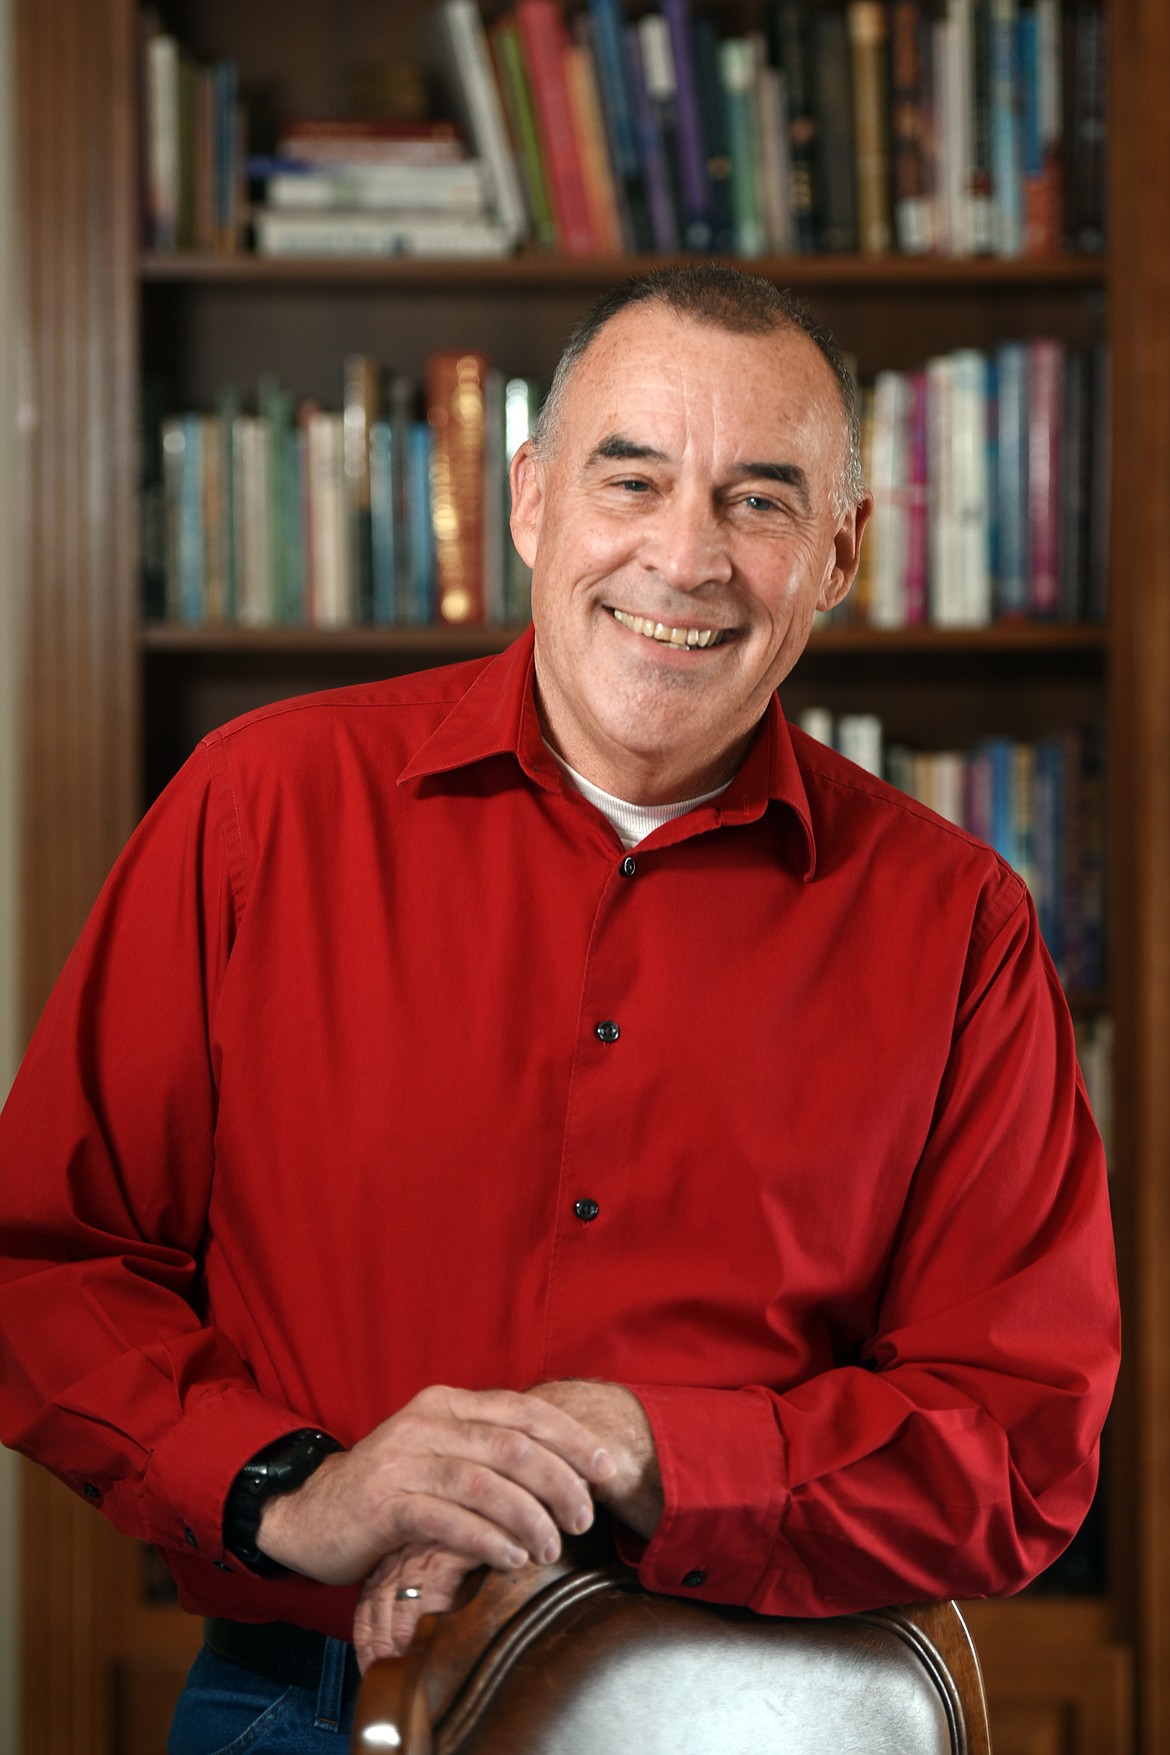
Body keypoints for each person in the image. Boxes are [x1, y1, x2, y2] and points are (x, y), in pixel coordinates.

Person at [0, 267, 1119, 1751]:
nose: (685, 555)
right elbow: (44, 1264)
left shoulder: (955, 919)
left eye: (760, 499)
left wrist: (648, 1451)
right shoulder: (259, 807)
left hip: (750, 1707)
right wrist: (293, 1486)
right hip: (310, 1704)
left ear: (838, 555)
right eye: (632, 477)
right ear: (530, 502)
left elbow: (1019, 1438)